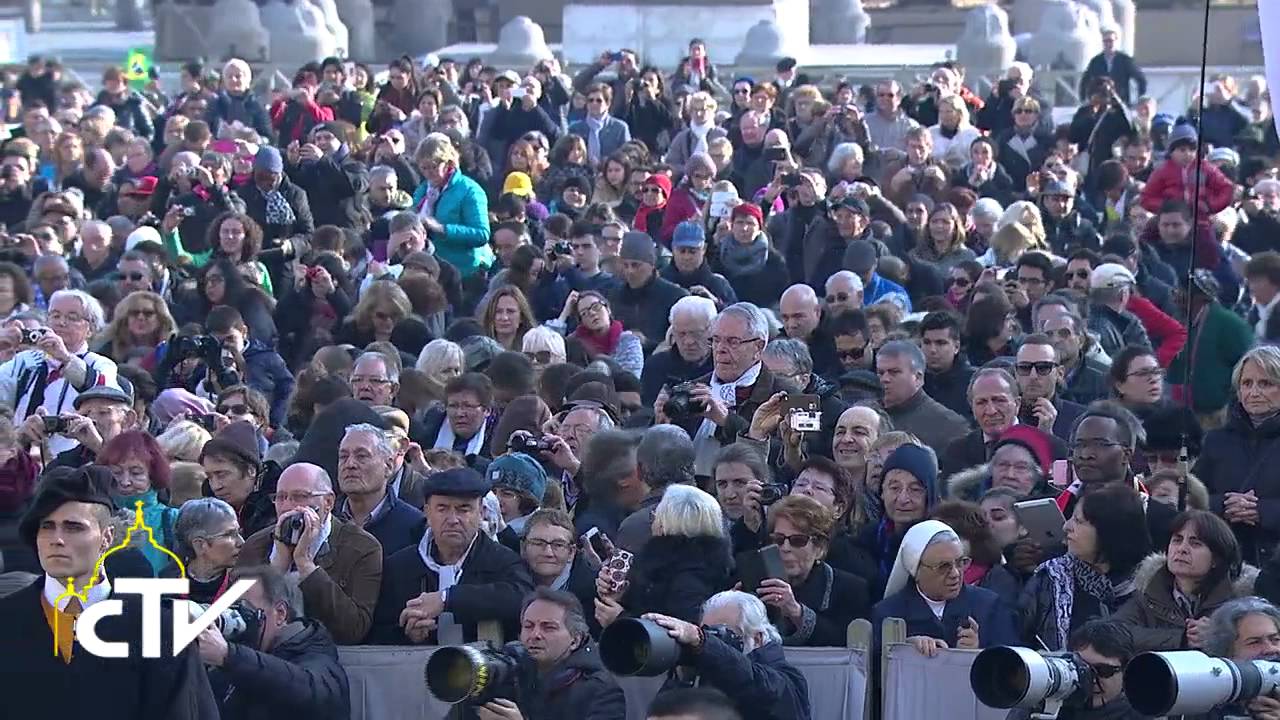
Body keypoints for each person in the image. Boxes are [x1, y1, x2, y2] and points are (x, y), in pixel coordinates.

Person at [0, 465, 218, 718]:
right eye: (47, 527)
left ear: (106, 536)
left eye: (73, 527)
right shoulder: (8, 620)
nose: (57, 539)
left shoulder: (159, 631)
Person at [371, 467, 534, 644]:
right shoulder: (400, 566)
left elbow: (523, 598)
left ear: (481, 512)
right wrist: (407, 634)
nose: (453, 519)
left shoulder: (502, 561)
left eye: (464, 509)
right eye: (442, 508)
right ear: (426, 511)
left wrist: (447, 599)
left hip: (485, 669)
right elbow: (377, 632)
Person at [236, 462, 383, 645]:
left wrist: (305, 564)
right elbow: (239, 618)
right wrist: (277, 567)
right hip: (266, 655)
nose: (288, 506)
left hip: (327, 656)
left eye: (300, 497)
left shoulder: (362, 547)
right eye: (281, 497)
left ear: (328, 502)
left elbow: (353, 629)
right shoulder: (257, 545)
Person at [199, 564, 350, 720]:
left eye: (245, 610)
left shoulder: (316, 653)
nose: (237, 621)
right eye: (231, 611)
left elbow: (313, 695)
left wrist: (228, 655)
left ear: (280, 613)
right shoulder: (233, 664)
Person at [1019, 483, 1152, 651]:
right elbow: (1020, 641)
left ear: (1109, 531)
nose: (1066, 527)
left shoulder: (1152, 585)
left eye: (1078, 521)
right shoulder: (1051, 577)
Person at [642, 590, 811, 720]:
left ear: (757, 639)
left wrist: (703, 641)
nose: (713, 640)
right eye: (707, 631)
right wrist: (683, 675)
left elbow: (756, 686)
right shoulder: (702, 674)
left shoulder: (787, 680)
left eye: (721, 633)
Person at [1115, 510, 1255, 652]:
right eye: (1177, 540)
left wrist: (1218, 636)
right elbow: (1114, 632)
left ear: (1216, 558)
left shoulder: (1242, 600)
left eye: (1195, 543)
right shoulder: (1149, 591)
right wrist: (1182, 638)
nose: (1182, 549)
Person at [872, 520, 1019, 655]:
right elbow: (876, 676)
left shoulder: (988, 605)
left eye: (960, 562)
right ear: (915, 570)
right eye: (943, 566)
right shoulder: (888, 613)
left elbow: (1011, 666)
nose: (955, 573)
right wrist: (906, 651)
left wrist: (977, 653)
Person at [0, 289, 117, 456]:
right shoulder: (24, 361)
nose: (61, 323)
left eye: (72, 317)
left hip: (76, 463)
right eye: (55, 316)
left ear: (90, 329)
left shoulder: (100, 364)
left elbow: (105, 396)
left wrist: (66, 359)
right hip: (22, 460)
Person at [597, 485, 732, 629]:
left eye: (657, 514)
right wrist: (619, 596)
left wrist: (620, 621)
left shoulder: (690, 579)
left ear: (665, 525)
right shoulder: (659, 565)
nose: (653, 519)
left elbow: (681, 635)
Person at [1194, 345, 1280, 565]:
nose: (1254, 392)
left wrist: (1262, 511)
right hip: (1223, 558)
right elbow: (1190, 497)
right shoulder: (1216, 440)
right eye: (1247, 383)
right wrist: (1223, 505)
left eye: (1266, 383)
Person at [485, 588, 627, 720]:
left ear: (575, 640)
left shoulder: (601, 691)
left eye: (549, 627)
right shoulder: (511, 672)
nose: (535, 635)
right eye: (528, 626)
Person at [762, 495, 870, 646]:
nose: (785, 548)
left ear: (820, 548)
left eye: (797, 541)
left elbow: (845, 644)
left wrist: (797, 613)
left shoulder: (852, 589)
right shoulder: (761, 584)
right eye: (779, 540)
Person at [1006, 619, 1148, 720]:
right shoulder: (1041, 705)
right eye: (1081, 666)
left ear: (1125, 672)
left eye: (1103, 670)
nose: (1090, 678)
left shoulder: (1141, 713)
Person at [335, 423, 423, 557]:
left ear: (388, 466)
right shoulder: (325, 520)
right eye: (343, 457)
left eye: (361, 456)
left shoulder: (414, 525)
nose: (350, 464)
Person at [99, 430, 180, 574]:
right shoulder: (97, 517)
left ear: (153, 474)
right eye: (116, 473)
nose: (125, 482)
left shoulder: (172, 519)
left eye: (136, 473)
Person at [876, 340, 967, 458]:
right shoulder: (865, 413)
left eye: (894, 372)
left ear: (918, 378)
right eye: (880, 373)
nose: (885, 379)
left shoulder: (950, 427)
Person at [1201, 597, 1280, 719]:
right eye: (1255, 642)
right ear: (1227, 652)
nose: (1271, 649)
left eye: (1275, 639)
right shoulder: (1208, 703)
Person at [640, 295, 715, 405]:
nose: (688, 341)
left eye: (696, 334)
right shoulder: (655, 366)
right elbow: (644, 412)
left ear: (712, 330)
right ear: (672, 332)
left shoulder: (724, 368)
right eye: (681, 334)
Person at [172, 497, 244, 603]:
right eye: (229, 534)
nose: (241, 542)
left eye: (238, 533)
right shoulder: (164, 589)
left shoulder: (247, 588)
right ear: (199, 545)